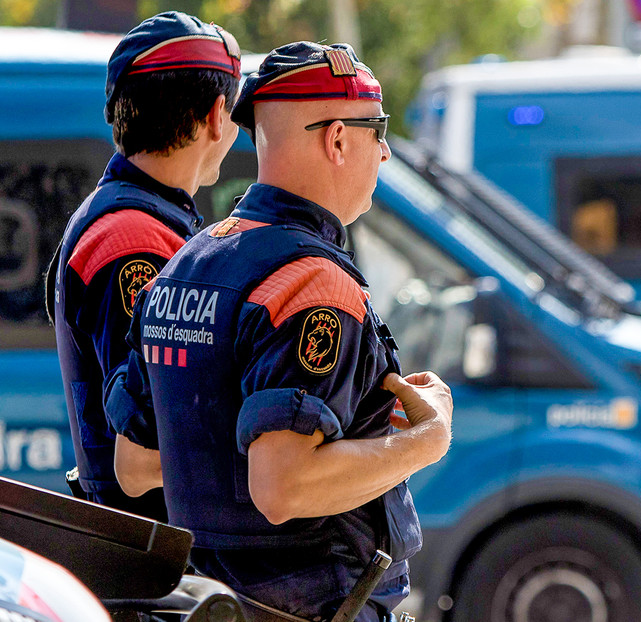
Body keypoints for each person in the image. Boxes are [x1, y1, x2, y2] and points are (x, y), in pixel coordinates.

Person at [105, 41, 452, 622]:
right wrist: (427, 440)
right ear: (338, 139)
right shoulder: (313, 286)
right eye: (378, 130)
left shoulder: (186, 265)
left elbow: (133, 466)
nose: (386, 152)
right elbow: (284, 489)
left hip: (207, 603)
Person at [49, 11, 240, 518]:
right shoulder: (134, 240)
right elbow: (148, 440)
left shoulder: (138, 219)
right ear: (218, 114)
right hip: (154, 557)